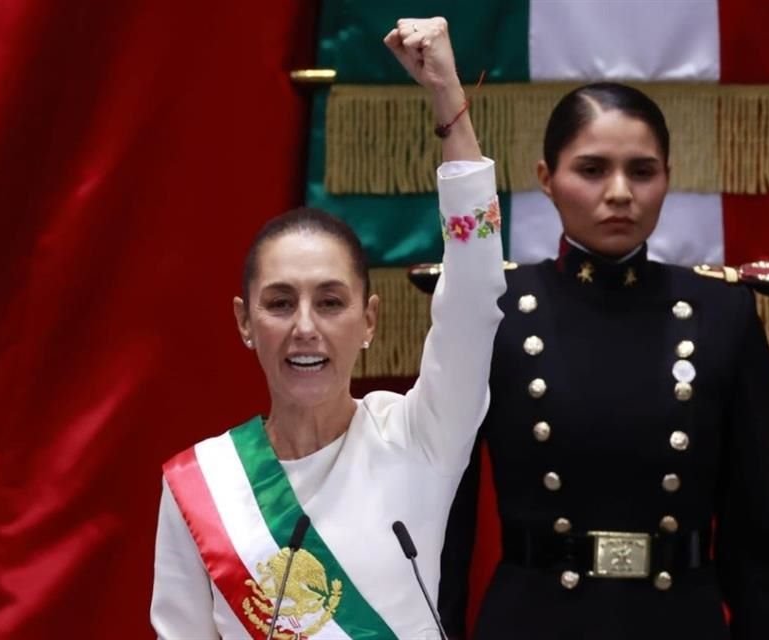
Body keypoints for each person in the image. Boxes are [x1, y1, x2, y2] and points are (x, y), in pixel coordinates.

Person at [150, 17, 506, 639]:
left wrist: (449, 99)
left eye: (331, 302)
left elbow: (475, 294)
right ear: (244, 322)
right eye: (281, 303)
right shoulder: (203, 482)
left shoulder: (420, 435)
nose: (305, 328)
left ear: (369, 321)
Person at [438, 82, 769, 639]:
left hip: (678, 620)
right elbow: (447, 524)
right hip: (536, 619)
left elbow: (757, 532)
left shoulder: (722, 313)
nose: (620, 192)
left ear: (668, 178)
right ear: (547, 179)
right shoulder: (496, 311)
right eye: (593, 169)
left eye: (642, 171)